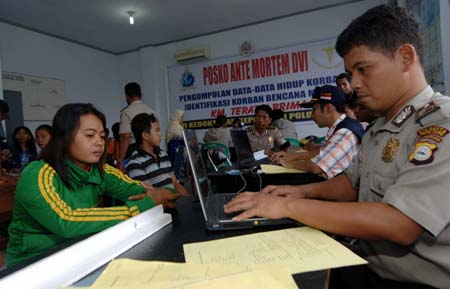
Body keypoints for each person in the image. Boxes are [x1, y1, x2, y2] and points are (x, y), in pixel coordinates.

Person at [226, 5, 450, 288]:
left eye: (363, 69)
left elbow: (400, 223)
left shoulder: (440, 125)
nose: (353, 84)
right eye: (350, 72)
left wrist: (288, 206)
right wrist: (302, 191)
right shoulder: (380, 125)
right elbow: (352, 184)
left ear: (405, 58)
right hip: (367, 263)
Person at [6, 103, 177, 266]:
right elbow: (66, 221)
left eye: (102, 136)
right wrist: (141, 206)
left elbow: (144, 190)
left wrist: (163, 193)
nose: (99, 142)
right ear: (64, 138)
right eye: (89, 135)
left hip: (81, 251)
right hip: (34, 262)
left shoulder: (99, 171)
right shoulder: (37, 174)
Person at [272, 85, 364, 179]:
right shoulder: (342, 126)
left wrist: (288, 163)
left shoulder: (344, 132)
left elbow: (317, 166)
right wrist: (292, 156)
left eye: (314, 109)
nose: (312, 115)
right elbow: (322, 152)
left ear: (328, 108)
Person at [125, 113, 189, 197]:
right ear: (145, 135)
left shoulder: (163, 154)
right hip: (160, 208)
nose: (160, 134)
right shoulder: (135, 163)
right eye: (157, 130)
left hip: (174, 203)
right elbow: (151, 194)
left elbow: (175, 183)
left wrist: (188, 198)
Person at [119, 82, 156, 166]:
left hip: (134, 151)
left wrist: (121, 160)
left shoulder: (126, 112)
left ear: (127, 96)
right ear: (140, 95)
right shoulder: (151, 111)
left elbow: (125, 137)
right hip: (152, 149)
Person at [166, 110, 185, 179]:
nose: (183, 119)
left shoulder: (177, 126)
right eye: (182, 117)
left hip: (177, 151)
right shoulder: (174, 126)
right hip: (175, 151)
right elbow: (180, 138)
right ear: (178, 117)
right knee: (177, 172)